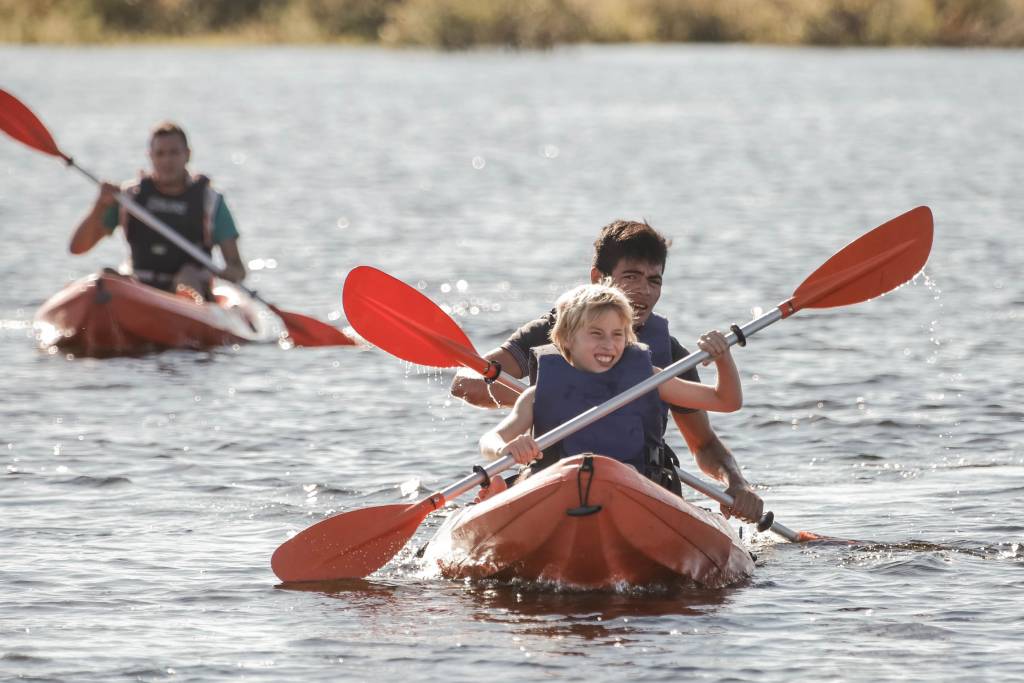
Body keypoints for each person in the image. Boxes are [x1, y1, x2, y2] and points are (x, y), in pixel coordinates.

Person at [452, 219, 764, 522]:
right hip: (553, 483)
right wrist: (554, 400)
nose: (643, 291)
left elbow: (706, 440)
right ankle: (497, 496)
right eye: (632, 276)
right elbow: (467, 385)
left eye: (654, 280)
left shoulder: (666, 361)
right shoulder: (558, 330)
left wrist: (736, 482)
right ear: (598, 277)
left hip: (639, 486)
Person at [479, 283, 741, 498]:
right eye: (596, 333)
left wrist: (723, 358)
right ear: (567, 338)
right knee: (528, 481)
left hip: (633, 492)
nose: (609, 345)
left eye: (617, 334)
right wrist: (506, 449)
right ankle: (503, 495)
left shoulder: (648, 380)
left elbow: (726, 401)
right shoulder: (537, 395)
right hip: (558, 495)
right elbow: (490, 440)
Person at [70, 121, 245, 299]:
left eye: (174, 153)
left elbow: (237, 268)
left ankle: (185, 311)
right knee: (106, 277)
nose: (167, 161)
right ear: (150, 156)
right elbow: (78, 248)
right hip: (141, 284)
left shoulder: (209, 201)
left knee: (188, 277)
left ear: (188, 155)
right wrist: (99, 206)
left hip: (191, 288)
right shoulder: (130, 198)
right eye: (160, 154)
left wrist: (230, 273)